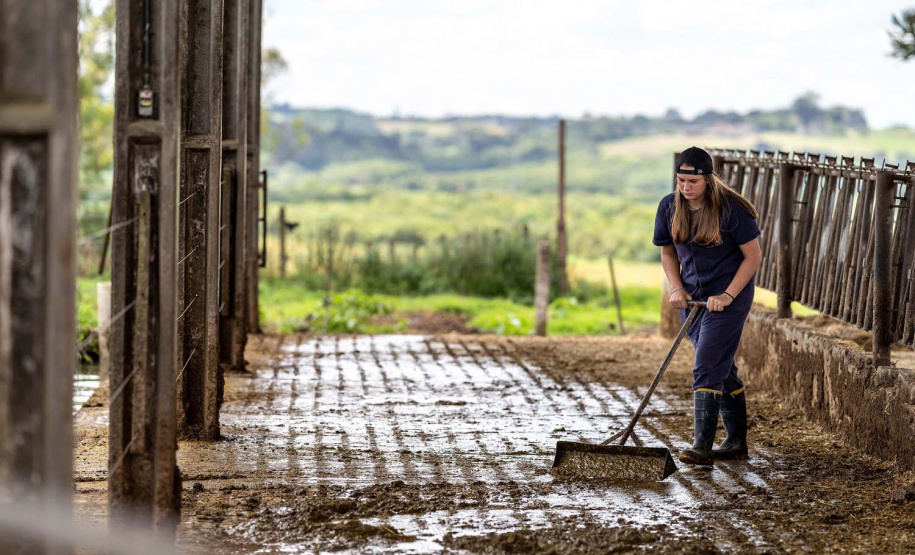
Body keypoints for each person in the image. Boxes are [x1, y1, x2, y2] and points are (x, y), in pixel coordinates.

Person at [652, 146, 762, 466]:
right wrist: (677, 287)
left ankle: (702, 446)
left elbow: (753, 257)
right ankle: (736, 443)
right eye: (681, 180)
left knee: (707, 364)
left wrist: (727, 295)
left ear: (708, 179)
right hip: (694, 298)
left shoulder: (731, 209)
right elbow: (668, 252)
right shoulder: (669, 206)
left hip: (729, 296)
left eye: (693, 182)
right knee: (719, 365)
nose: (686, 187)